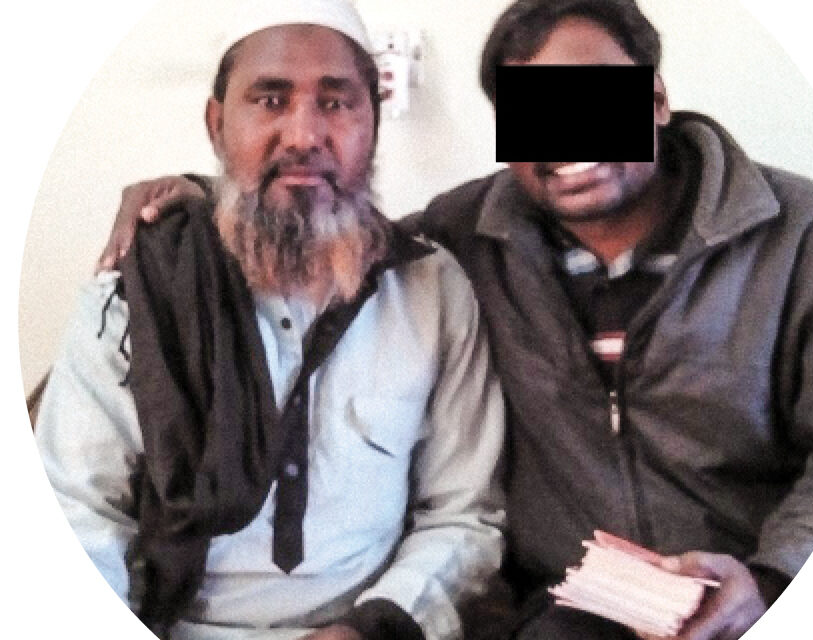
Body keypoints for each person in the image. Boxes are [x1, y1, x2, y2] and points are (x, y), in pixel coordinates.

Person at [97, 0, 813, 638]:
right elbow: (314, 213)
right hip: (572, 608)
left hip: (763, 590)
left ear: (657, 100)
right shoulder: (466, 240)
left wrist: (774, 578)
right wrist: (197, 208)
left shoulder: (808, 236)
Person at [34, 2, 506, 639]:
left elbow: (463, 513)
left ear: (374, 123)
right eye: (270, 100)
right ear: (217, 123)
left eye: (336, 102)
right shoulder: (141, 290)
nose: (305, 135)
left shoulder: (433, 286)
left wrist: (373, 627)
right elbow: (76, 517)